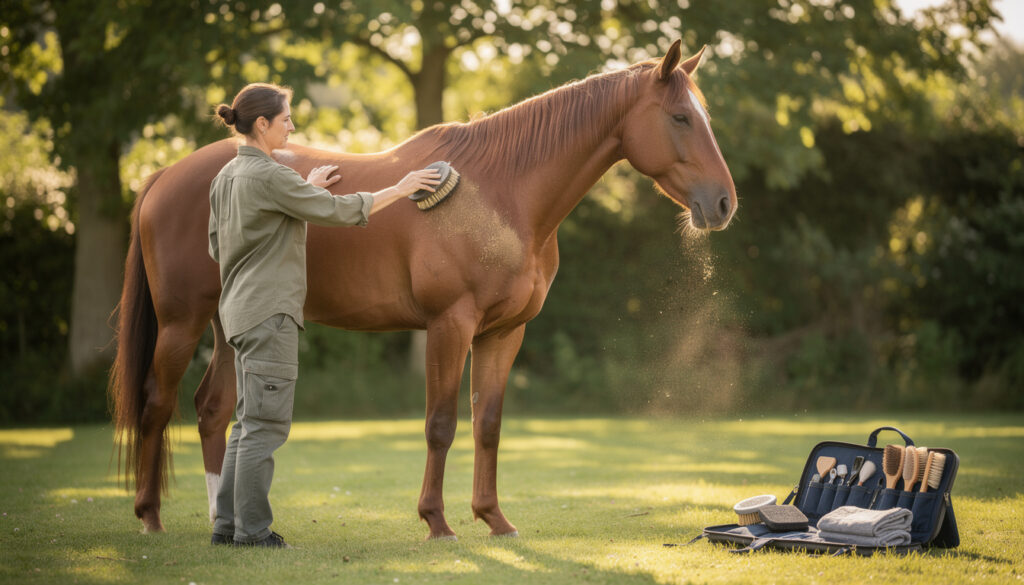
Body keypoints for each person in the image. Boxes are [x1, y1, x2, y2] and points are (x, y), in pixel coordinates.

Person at [208, 82, 440, 548]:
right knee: (266, 426)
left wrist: (302, 192)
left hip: (237, 311)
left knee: (246, 423)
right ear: (262, 123)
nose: (292, 125)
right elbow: (338, 211)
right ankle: (253, 533)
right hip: (270, 313)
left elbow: (217, 244)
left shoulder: (226, 177)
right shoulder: (271, 177)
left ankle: (226, 526)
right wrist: (401, 187)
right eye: (286, 118)